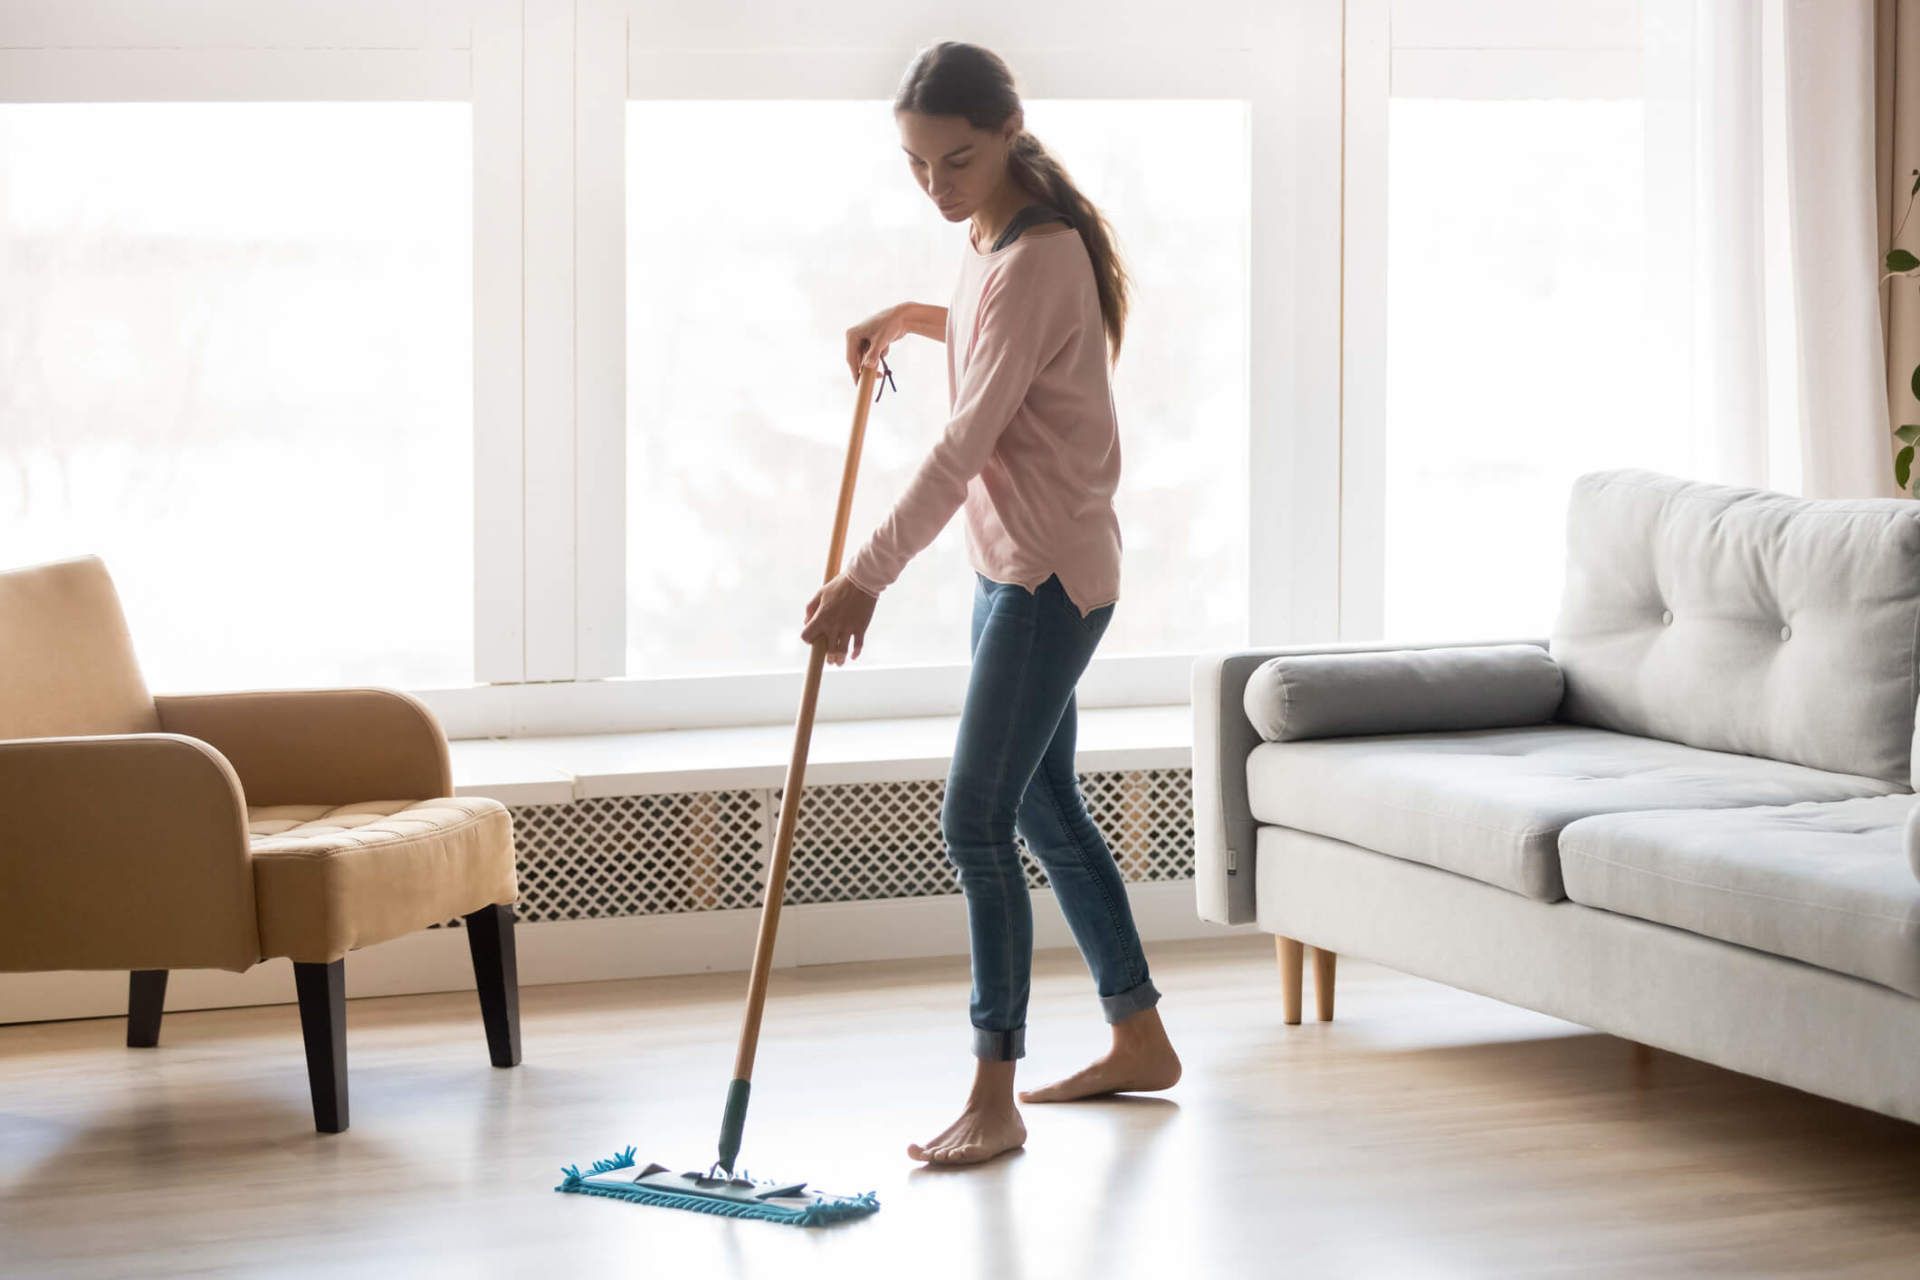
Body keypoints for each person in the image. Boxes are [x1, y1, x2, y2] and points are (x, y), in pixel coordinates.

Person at [799, 40, 1181, 1168]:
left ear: (1010, 127)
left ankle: (993, 1090)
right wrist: (910, 315)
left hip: (1047, 580)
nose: (937, 185)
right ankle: (1140, 1031)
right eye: (917, 165)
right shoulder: (994, 236)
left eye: (956, 160)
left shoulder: (1042, 255)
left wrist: (863, 574)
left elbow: (966, 438)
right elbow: (991, 324)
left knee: (976, 817)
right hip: (1015, 568)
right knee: (1045, 806)